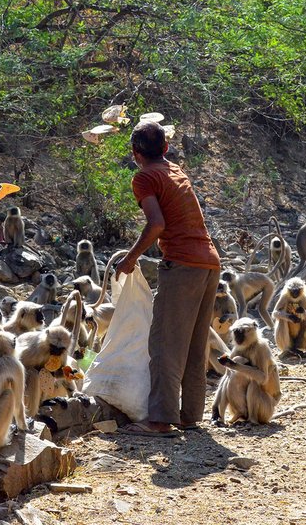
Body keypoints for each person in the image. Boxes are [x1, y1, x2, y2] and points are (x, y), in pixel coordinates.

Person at [115, 121, 221, 437]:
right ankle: (190, 416)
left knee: (164, 343)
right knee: (194, 344)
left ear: (135, 153)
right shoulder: (175, 171)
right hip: (210, 263)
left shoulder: (145, 177)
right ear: (165, 148)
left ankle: (160, 421)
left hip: (184, 265)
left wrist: (130, 258)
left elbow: (156, 224)